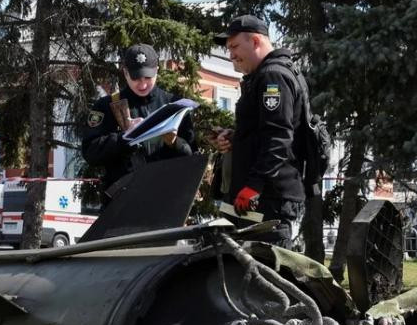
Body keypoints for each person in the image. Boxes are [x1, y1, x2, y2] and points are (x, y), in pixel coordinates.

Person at [213, 15, 308, 249]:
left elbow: (278, 137)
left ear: (255, 41)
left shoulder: (272, 76)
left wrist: (254, 185)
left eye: (235, 47)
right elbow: (263, 132)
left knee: (266, 274)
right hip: (254, 197)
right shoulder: (262, 76)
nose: (231, 55)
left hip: (265, 198)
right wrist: (234, 138)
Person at [81, 43, 196, 205]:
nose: (142, 84)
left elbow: (192, 157)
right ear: (125, 73)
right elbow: (90, 152)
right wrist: (124, 139)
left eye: (148, 77)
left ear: (157, 70)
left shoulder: (175, 105)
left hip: (166, 201)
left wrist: (174, 142)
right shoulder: (106, 106)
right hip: (122, 202)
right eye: (136, 78)